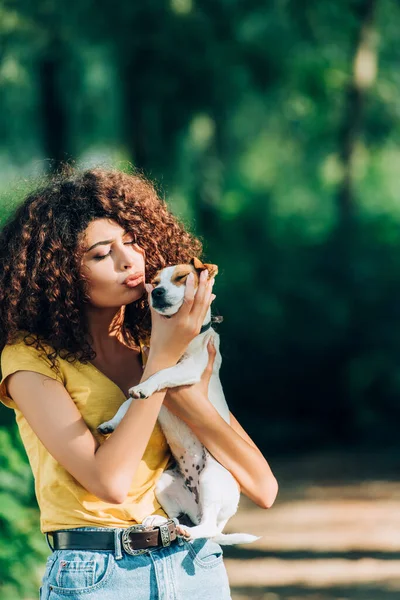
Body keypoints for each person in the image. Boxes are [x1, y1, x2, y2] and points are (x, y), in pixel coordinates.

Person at [0, 168, 278, 600]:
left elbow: (263, 486)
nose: (129, 261)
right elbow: (108, 483)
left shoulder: (153, 344)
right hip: (97, 574)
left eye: (131, 241)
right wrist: (164, 363)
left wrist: (176, 376)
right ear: (58, 272)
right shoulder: (30, 360)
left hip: (194, 565)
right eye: (100, 254)